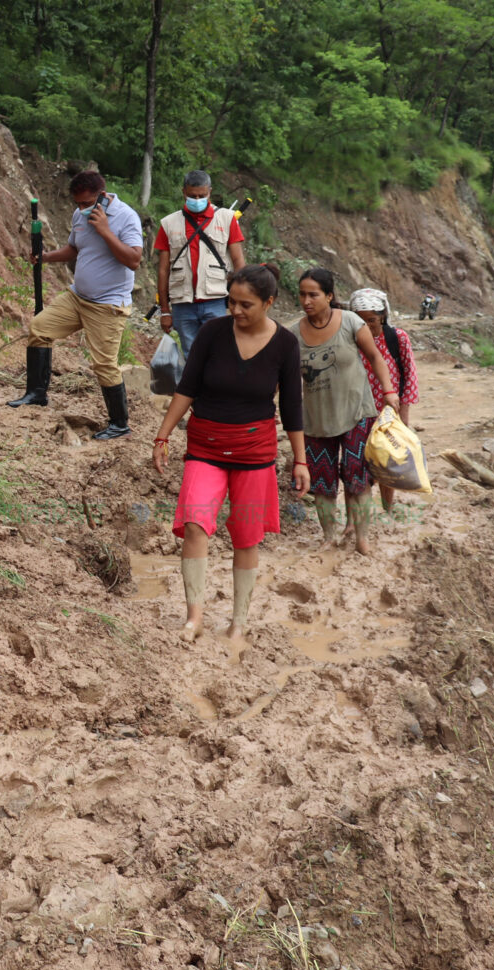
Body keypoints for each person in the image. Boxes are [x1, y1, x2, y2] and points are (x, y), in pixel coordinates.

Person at [152, 265, 308, 641]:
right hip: (205, 446)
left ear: (269, 303)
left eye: (246, 304)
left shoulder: (285, 344)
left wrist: (300, 460)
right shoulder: (211, 333)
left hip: (255, 451)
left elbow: (291, 406)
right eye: (231, 302)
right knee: (194, 522)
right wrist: (162, 435)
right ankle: (194, 617)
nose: (235, 311)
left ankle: (238, 622)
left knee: (247, 534)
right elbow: (186, 387)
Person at [6, 170, 143, 440]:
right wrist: (45, 257)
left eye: (86, 203)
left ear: (102, 197)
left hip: (108, 305)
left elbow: (134, 260)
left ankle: (119, 422)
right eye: (77, 204)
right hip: (77, 297)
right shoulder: (79, 215)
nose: (81, 209)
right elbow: (75, 249)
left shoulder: (126, 217)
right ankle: (36, 394)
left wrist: (105, 231)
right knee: (40, 327)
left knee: (104, 364)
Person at [291, 268, 400, 553]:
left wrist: (388, 391)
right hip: (315, 421)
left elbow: (375, 357)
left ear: (329, 296)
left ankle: (362, 538)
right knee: (322, 482)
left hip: (356, 414)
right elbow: (285, 379)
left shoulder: (350, 322)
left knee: (357, 478)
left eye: (313, 294)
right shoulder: (293, 335)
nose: (306, 300)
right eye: (302, 294)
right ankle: (329, 537)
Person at [153, 169, 246, 352]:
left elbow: (239, 263)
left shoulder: (227, 219)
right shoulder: (168, 224)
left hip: (216, 301)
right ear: (183, 192)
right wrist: (165, 310)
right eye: (192, 196)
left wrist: (241, 302)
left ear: (210, 192)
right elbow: (163, 270)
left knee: (218, 354)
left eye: (202, 195)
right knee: (191, 357)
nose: (197, 200)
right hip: (182, 304)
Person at [350, 287, 420, 512]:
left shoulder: (397, 338)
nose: (367, 326)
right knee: (361, 464)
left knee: (387, 462)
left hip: (388, 412)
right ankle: (365, 514)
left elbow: (409, 375)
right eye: (361, 321)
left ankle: (387, 510)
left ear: (382, 316)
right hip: (358, 411)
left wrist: (404, 417)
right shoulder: (351, 339)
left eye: (371, 320)